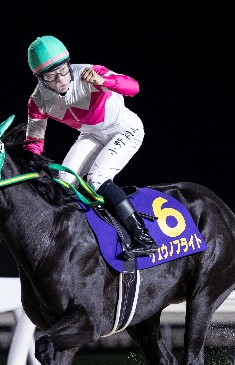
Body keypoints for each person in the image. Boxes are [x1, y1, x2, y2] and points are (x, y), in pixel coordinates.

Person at [24, 35, 158, 260]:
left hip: (125, 128)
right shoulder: (37, 101)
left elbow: (134, 87)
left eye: (63, 70)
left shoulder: (88, 72)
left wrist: (103, 81)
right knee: (64, 182)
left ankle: (142, 237)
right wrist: (29, 167)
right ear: (39, 78)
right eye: (51, 76)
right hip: (92, 135)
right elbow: (34, 142)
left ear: (69, 63)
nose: (60, 79)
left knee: (97, 178)